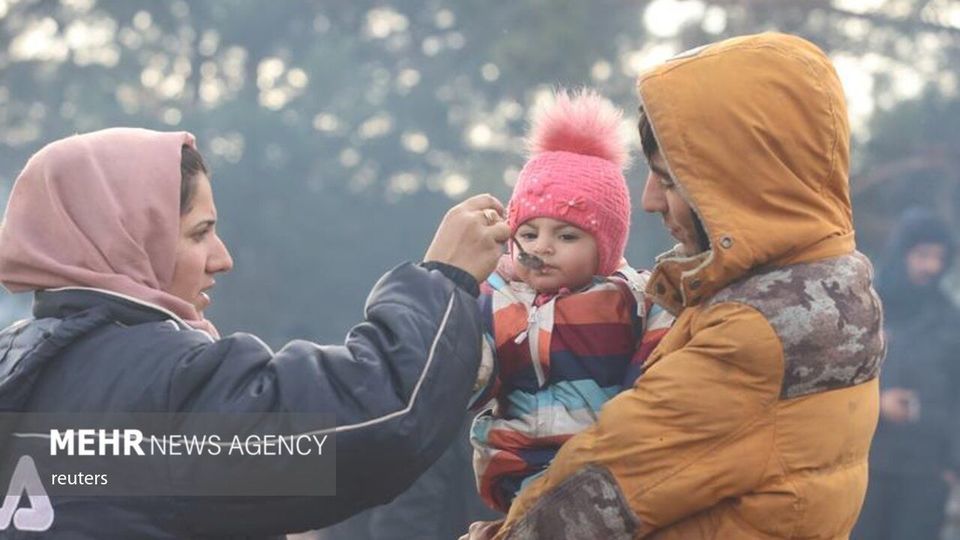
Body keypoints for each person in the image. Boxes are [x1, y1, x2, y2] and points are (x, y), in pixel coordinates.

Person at [467, 32, 886, 540]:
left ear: (739, 183)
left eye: (668, 180)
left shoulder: (757, 332)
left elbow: (599, 491)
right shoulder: (813, 291)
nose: (648, 200)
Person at [0, 127, 511, 538]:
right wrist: (445, 279)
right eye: (199, 232)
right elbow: (375, 420)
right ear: (130, 239)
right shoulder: (162, 384)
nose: (222, 260)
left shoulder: (15, 362)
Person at [468, 89, 673, 513]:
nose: (542, 248)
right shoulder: (495, 298)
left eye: (567, 236)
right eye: (528, 234)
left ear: (606, 247)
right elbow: (469, 378)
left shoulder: (634, 299)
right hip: (517, 464)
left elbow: (659, 369)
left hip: (601, 467)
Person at [853, 207, 960, 540]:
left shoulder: (949, 318)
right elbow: (835, 380)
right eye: (922, 255)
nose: (931, 266)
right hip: (866, 466)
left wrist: (952, 466)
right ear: (903, 253)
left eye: (938, 258)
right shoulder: (866, 309)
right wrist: (876, 404)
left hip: (925, 472)